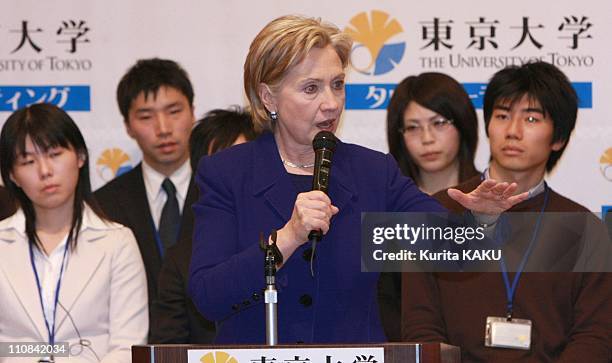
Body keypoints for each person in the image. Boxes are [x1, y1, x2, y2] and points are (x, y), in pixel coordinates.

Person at [188, 15, 527, 344]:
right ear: (268, 97)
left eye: (337, 85)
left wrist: (481, 220)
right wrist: (288, 237)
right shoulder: (227, 174)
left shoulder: (372, 172)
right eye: (311, 89)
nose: (331, 103)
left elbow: (451, 253)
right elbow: (208, 297)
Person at [402, 62, 612, 362]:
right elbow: (420, 326)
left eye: (531, 118)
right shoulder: (434, 213)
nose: (512, 131)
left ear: (559, 138)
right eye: (502, 116)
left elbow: (595, 334)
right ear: (488, 125)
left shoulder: (585, 228)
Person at [0, 103, 147, 363]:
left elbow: (128, 346)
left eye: (55, 154)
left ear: (80, 156)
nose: (45, 171)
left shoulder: (117, 242)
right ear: (12, 175)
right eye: (28, 161)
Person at [94, 58, 196, 336]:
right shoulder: (103, 205)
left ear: (193, 112)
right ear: (127, 126)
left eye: (174, 111)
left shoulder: (223, 189)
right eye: (146, 116)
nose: (163, 128)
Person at [379, 72, 480, 341]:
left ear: (463, 124)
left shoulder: (487, 202)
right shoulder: (386, 210)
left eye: (439, 123)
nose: (427, 138)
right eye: (412, 127)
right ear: (398, 135)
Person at [150, 106, 258, 343]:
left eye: (239, 162)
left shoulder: (292, 239)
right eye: (220, 166)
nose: (230, 177)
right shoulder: (181, 260)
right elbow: (168, 347)